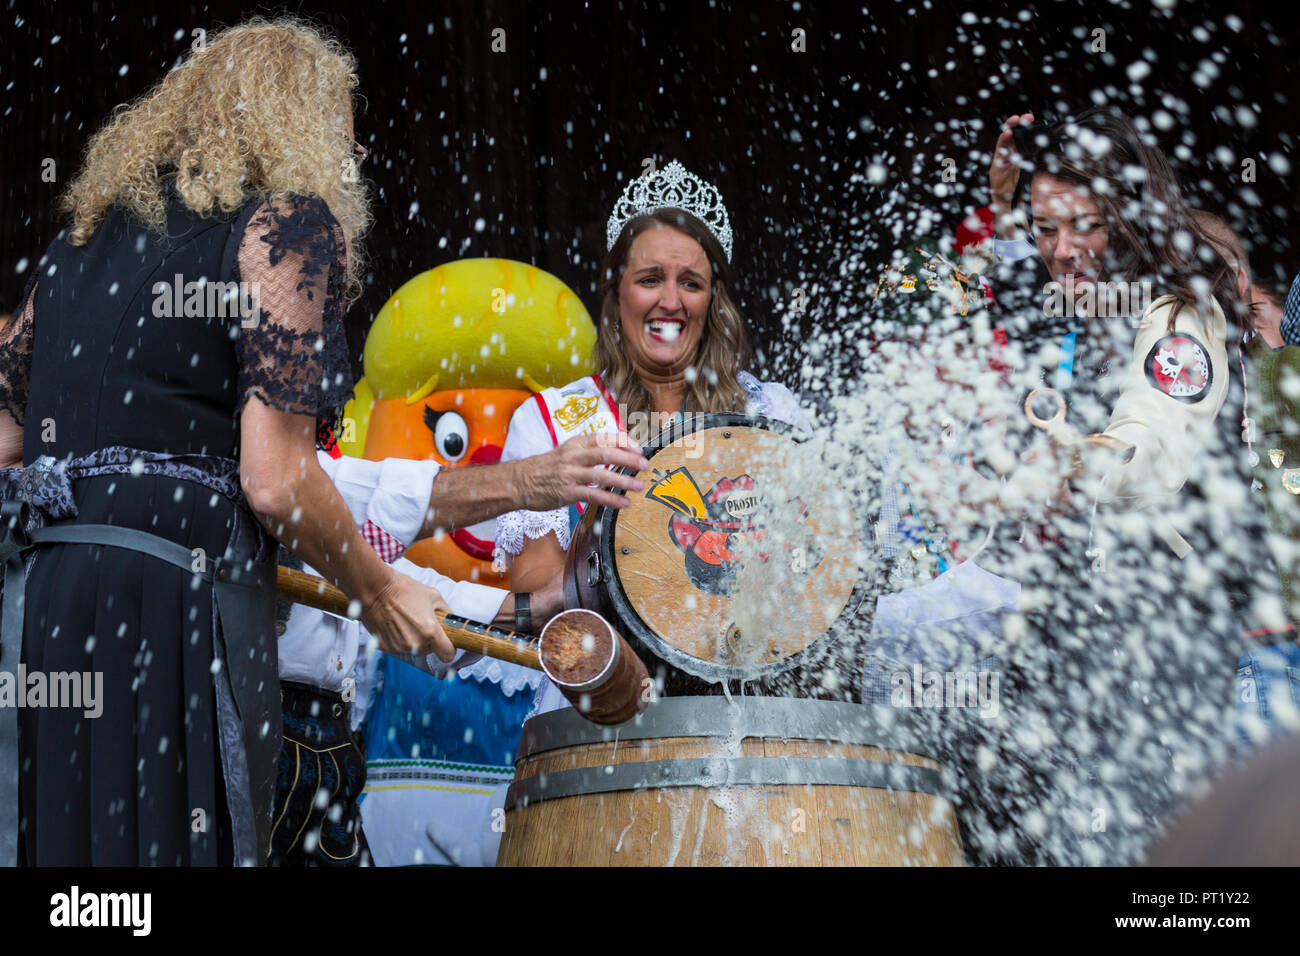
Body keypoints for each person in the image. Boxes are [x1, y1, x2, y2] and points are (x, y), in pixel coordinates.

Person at [0, 18, 460, 866]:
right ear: (296, 128)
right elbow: (276, 481)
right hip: (183, 592)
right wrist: (379, 590)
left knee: (84, 871)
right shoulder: (287, 227)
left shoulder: (75, 246)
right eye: (344, 139)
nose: (351, 162)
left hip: (56, 603)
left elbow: (6, 445)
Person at [957, 105, 1279, 864]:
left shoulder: (1178, 312)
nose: (1062, 250)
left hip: (1177, 646)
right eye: (1044, 229)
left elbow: (1150, 447)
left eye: (1086, 226)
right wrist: (1001, 209)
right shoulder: (1083, 306)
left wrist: (1058, 474)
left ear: (1129, 217)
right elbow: (1007, 305)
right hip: (1089, 643)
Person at [493, 160, 809, 715]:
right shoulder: (550, 420)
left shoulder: (769, 412)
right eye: (649, 279)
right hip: (604, 709)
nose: (671, 301)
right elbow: (543, 595)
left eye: (690, 283)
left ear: (713, 300)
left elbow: (813, 565)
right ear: (616, 293)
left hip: (751, 705)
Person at [268, 431, 647, 866]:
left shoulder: (311, 494)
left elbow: (359, 550)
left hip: (322, 748)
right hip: (269, 728)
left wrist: (529, 608)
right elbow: (301, 493)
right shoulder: (267, 467)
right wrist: (523, 481)